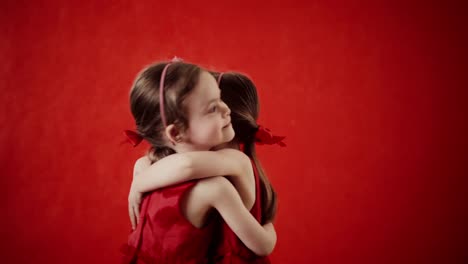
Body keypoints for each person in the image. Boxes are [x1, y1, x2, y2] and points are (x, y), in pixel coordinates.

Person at [121, 60, 276, 264]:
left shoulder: (148, 169)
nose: (226, 109)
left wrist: (139, 179)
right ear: (175, 132)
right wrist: (270, 227)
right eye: (212, 107)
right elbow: (262, 245)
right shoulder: (215, 187)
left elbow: (187, 165)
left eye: (221, 99)